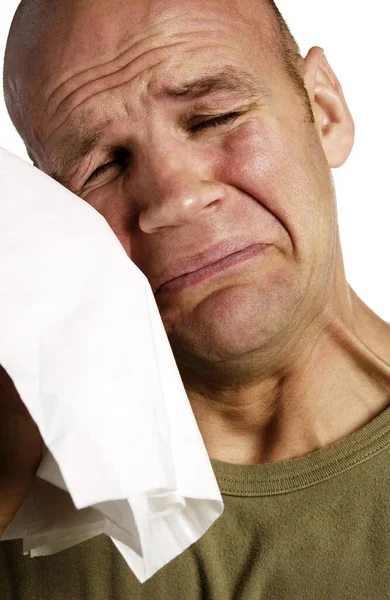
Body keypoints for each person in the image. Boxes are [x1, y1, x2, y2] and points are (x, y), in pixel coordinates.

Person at [1, 0, 390, 597]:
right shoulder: (20, 487)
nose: (174, 199)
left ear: (326, 112)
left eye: (214, 117)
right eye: (101, 166)